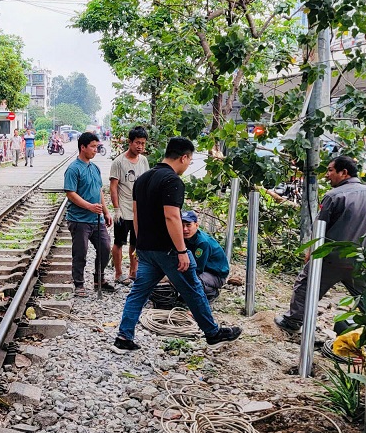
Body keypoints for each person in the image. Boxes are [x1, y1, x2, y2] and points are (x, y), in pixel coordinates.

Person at [114, 137, 242, 352]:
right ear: (183, 157)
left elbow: (136, 215)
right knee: (193, 289)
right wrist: (182, 250)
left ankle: (124, 337)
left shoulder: (143, 179)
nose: (188, 165)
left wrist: (139, 245)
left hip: (146, 249)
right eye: (189, 160)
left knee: (138, 292)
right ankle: (212, 333)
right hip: (169, 249)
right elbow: (172, 217)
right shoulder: (172, 181)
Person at [274, 155, 366, 334]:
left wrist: (311, 251)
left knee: (306, 285)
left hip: (332, 258)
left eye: (330, 170)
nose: (327, 175)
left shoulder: (334, 196)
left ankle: (293, 321)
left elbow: (321, 226)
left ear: (344, 173)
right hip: (363, 259)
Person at [64, 132, 116, 298]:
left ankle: (98, 279)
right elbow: (70, 193)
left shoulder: (95, 168)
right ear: (83, 147)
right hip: (79, 219)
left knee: (106, 247)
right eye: (93, 147)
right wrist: (89, 207)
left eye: (97, 146)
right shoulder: (73, 169)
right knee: (81, 252)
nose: (96, 150)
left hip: (97, 218)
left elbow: (98, 190)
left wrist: (106, 212)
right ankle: (79, 284)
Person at [109, 127, 150, 285]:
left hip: (138, 210)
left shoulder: (144, 161)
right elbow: (113, 187)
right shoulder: (119, 162)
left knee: (136, 242)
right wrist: (116, 209)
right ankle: (118, 273)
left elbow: (146, 183)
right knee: (119, 241)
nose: (140, 146)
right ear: (130, 142)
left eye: (143, 143)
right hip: (123, 209)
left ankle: (133, 272)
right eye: (137, 143)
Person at [181, 211, 229, 300]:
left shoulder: (202, 243)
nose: (185, 229)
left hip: (215, 275)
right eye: (182, 225)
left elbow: (197, 269)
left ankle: (209, 294)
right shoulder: (185, 238)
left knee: (190, 281)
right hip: (203, 271)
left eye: (188, 225)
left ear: (196, 225)